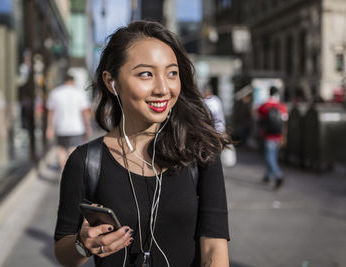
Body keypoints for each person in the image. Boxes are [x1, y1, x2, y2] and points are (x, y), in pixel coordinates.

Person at [54, 21, 231, 267]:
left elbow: (214, 247)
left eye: (172, 73)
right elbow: (64, 253)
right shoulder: (86, 161)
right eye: (146, 74)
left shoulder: (200, 153)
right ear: (111, 82)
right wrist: (83, 245)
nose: (162, 88)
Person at [46, 74, 92, 169]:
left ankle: (63, 172)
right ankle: (70, 174)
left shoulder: (55, 93)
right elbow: (85, 112)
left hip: (60, 127)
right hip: (76, 128)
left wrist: (50, 127)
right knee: (73, 150)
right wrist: (88, 126)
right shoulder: (80, 93)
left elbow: (51, 112)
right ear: (73, 81)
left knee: (61, 149)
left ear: (64, 81)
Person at [257, 86, 288, 189]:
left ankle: (278, 175)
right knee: (273, 156)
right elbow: (284, 123)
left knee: (269, 157)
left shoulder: (265, 106)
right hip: (278, 136)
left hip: (268, 136)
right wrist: (283, 137)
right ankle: (268, 176)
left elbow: (257, 116)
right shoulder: (281, 106)